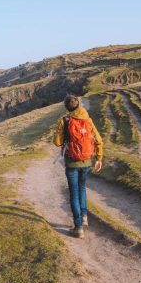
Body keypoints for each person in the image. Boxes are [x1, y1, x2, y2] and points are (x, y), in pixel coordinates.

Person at [53, 94, 103, 238]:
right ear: (79, 105)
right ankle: (85, 217)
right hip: (87, 161)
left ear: (66, 107)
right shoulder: (88, 120)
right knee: (82, 188)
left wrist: (59, 130)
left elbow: (57, 142)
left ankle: (78, 227)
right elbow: (99, 140)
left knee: (74, 193)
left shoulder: (65, 120)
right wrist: (99, 158)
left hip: (72, 162)